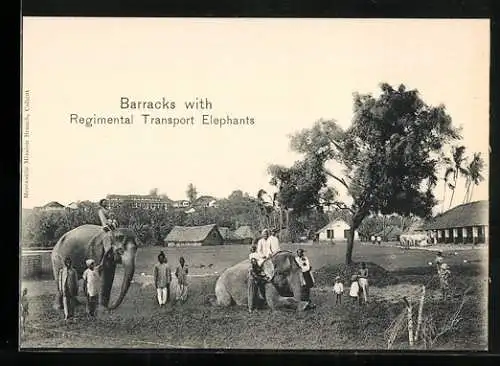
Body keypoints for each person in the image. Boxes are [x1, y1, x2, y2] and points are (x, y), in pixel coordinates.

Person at [58, 256, 79, 322]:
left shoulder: (73, 271)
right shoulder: (62, 271)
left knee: (72, 302)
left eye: (69, 262)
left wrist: (76, 288)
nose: (68, 264)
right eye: (67, 263)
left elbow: (76, 280)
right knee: (65, 301)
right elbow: (60, 280)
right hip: (65, 288)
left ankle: (72, 315)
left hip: (71, 288)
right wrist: (61, 289)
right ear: (65, 263)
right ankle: (67, 315)